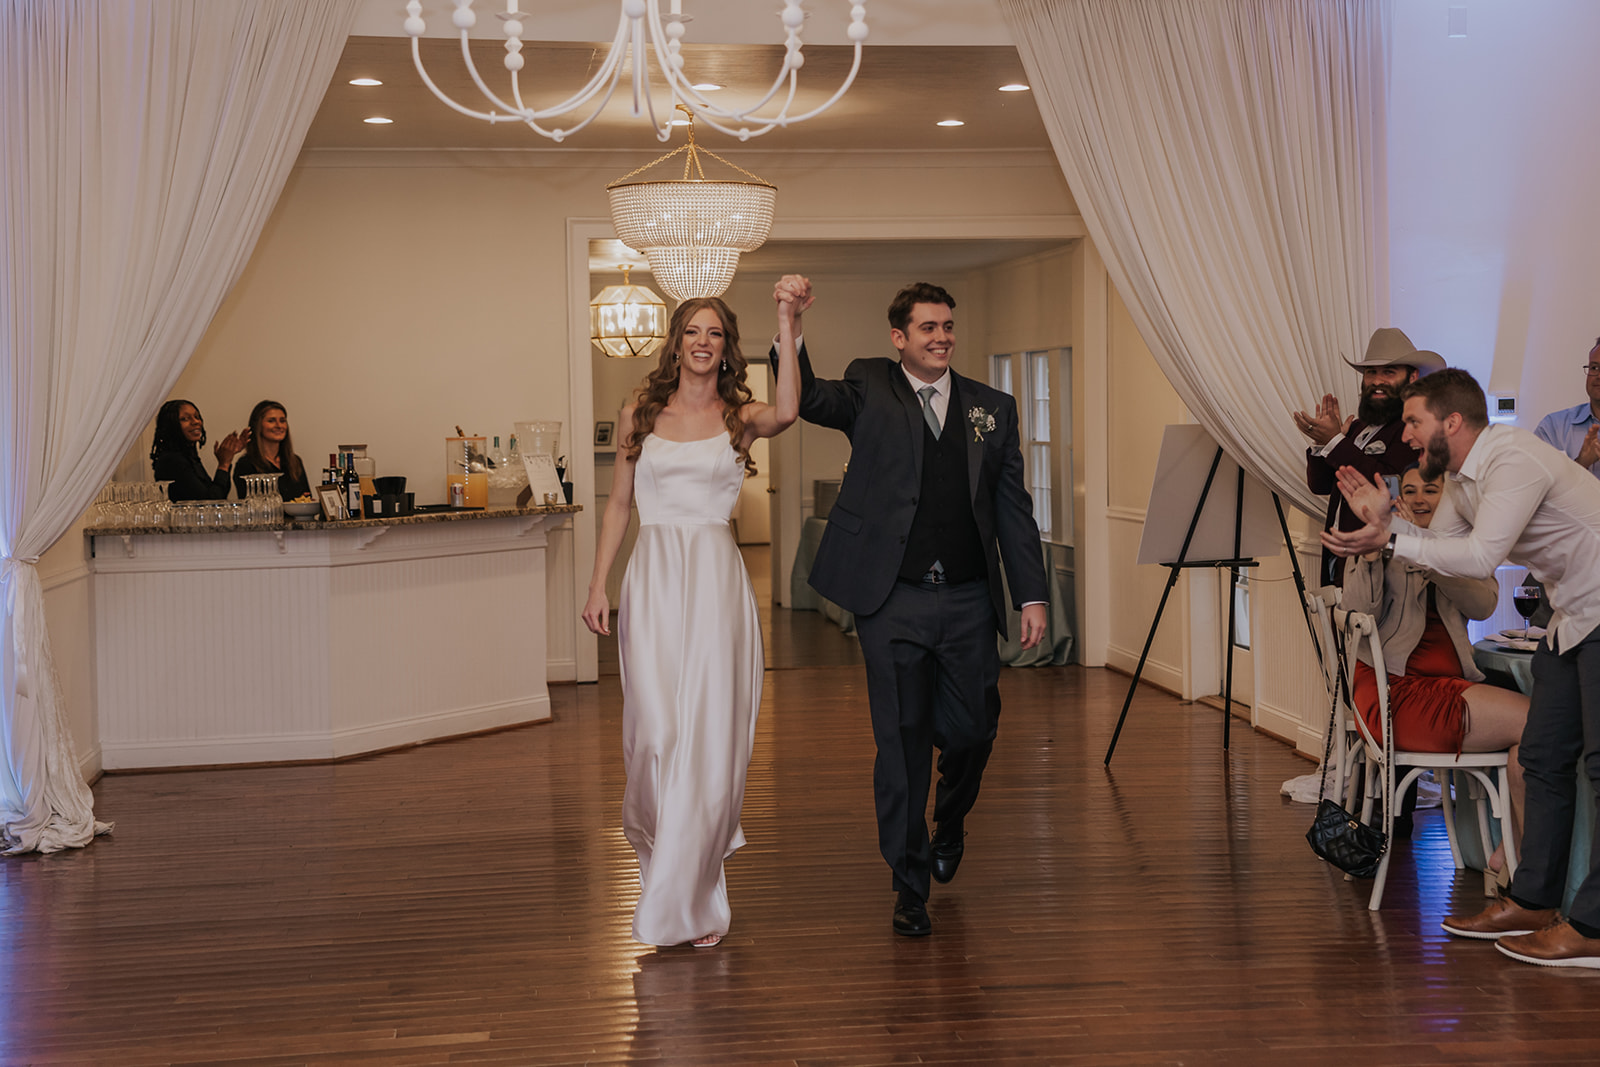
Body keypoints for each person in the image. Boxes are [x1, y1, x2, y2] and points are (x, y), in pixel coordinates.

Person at [770, 279, 1047, 937]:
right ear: (900, 337)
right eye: (928, 327)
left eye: (948, 326)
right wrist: (789, 322)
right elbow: (807, 397)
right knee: (899, 744)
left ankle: (949, 822)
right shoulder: (869, 386)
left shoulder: (992, 408)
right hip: (890, 599)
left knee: (975, 729)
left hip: (969, 599)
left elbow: (1012, 509)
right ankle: (908, 883)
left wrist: (1031, 593)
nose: (941, 337)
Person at [1323, 367, 1600, 969]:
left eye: (1414, 421)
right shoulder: (1458, 482)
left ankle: (1594, 926)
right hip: (1571, 617)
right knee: (1544, 758)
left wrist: (1391, 538)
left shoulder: (1512, 460)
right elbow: (1438, 549)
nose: (1407, 434)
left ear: (1451, 421)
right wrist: (1384, 528)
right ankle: (1531, 899)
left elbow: (1480, 557)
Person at [580, 289, 801, 948]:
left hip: (714, 585)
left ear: (726, 346)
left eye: (714, 333)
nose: (702, 341)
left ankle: (690, 893)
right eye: (691, 331)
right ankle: (665, 861)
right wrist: (599, 584)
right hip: (651, 582)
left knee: (706, 740)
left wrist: (789, 325)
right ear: (675, 342)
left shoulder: (742, 416)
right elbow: (619, 505)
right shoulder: (638, 413)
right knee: (654, 734)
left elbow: (790, 409)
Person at [1339, 464, 1528, 873]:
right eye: (1410, 490)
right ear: (1399, 499)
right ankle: (1527, 866)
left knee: (1536, 734)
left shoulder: (1464, 545)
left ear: (1450, 499)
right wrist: (1383, 546)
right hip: (1394, 691)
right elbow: (1357, 610)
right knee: (1538, 724)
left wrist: (1428, 553)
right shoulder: (1382, 541)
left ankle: (1510, 855)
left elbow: (1484, 606)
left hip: (1448, 684)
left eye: (1431, 489)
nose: (1420, 498)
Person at [1293, 328, 1440, 586]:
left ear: (1412, 378)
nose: (1376, 381)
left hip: (1380, 572)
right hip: (1338, 562)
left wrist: (1335, 442)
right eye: (1371, 372)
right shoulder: (1359, 427)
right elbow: (1321, 485)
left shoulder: (1413, 430)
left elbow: (1391, 487)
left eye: (1388, 372)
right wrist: (1322, 444)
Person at [149, 399, 249, 501]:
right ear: (171, 425)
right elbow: (209, 503)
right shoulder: (172, 460)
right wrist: (224, 464)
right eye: (185, 419)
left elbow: (218, 495)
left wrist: (226, 461)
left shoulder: (189, 457)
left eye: (197, 417)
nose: (196, 422)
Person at [1532, 336, 1600, 479]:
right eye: (1594, 367)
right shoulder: (1553, 427)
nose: (1598, 375)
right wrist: (1581, 463)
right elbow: (1536, 486)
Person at [232, 400, 311, 502]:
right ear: (258, 426)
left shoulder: (295, 461)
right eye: (271, 421)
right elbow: (250, 505)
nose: (279, 425)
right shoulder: (246, 464)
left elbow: (306, 497)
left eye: (282, 421)